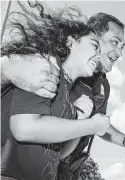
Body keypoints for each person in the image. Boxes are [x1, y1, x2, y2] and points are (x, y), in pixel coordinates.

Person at [1, 1, 110, 180]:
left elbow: (60, 154)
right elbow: (24, 128)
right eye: (94, 46)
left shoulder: (70, 93)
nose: (98, 55)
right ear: (70, 42)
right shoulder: (45, 66)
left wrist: (80, 119)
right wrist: (91, 125)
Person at [57, 13, 125, 179]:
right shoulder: (64, 62)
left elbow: (98, 123)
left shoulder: (103, 84)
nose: (119, 52)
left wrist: (124, 140)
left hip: (70, 168)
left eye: (122, 46)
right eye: (114, 42)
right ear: (92, 36)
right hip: (43, 160)